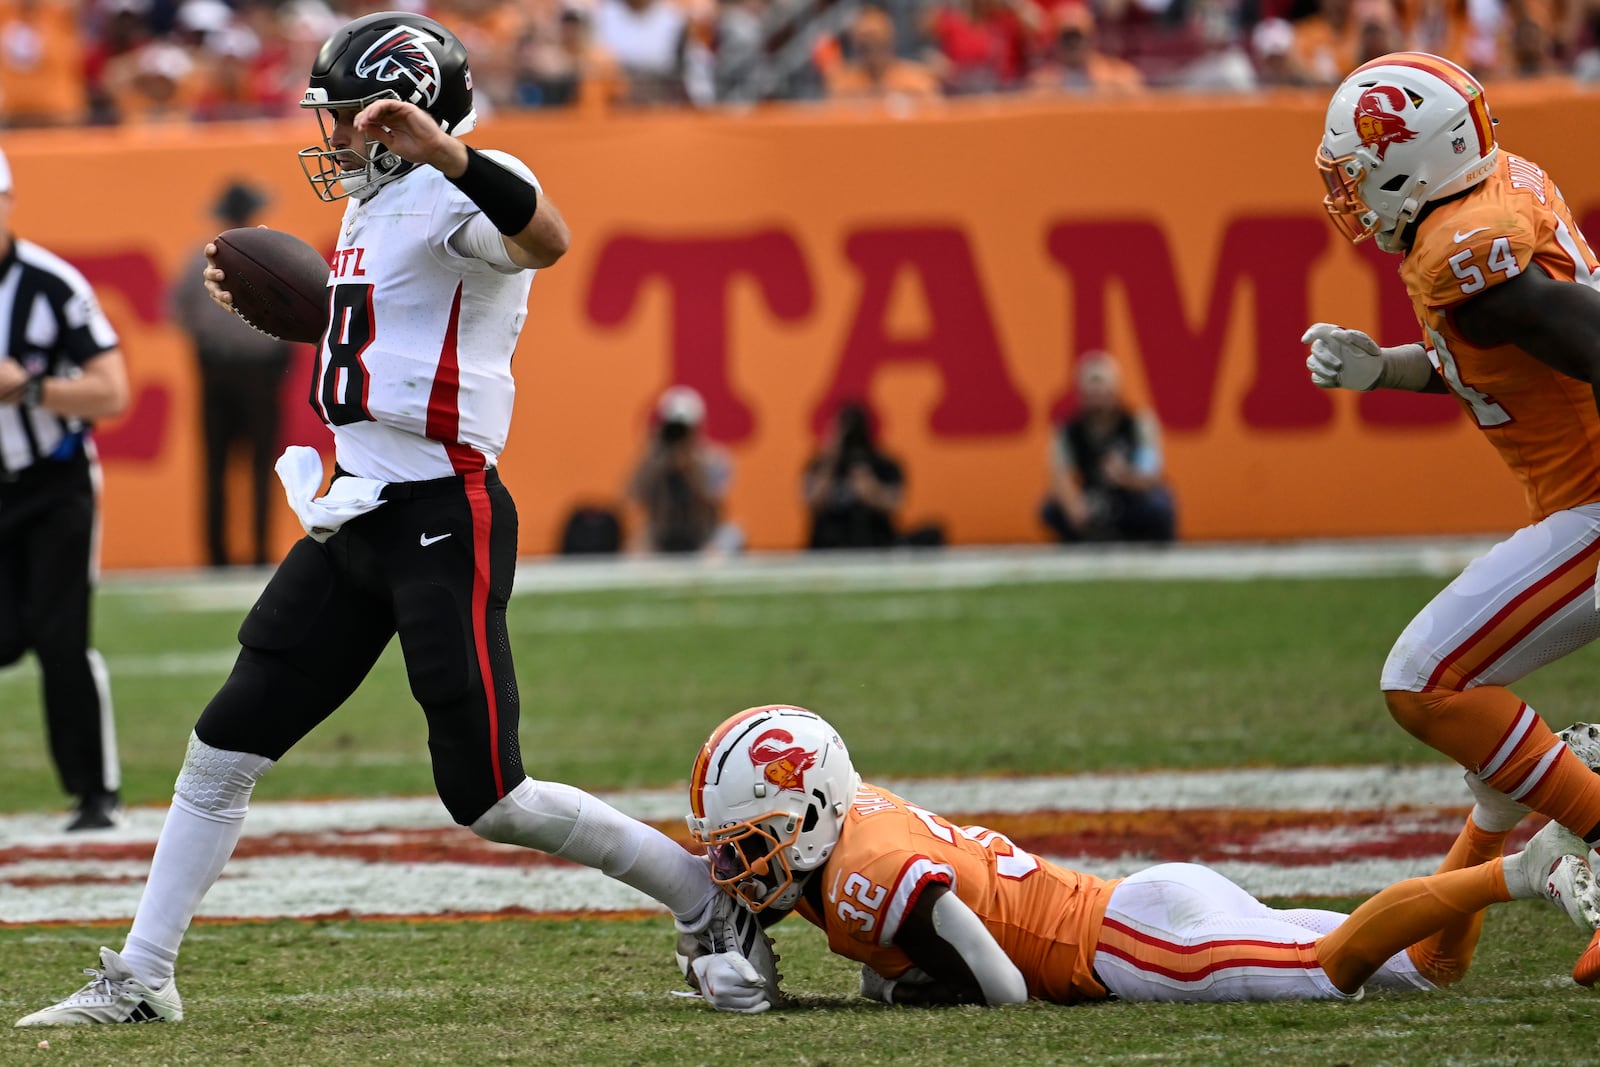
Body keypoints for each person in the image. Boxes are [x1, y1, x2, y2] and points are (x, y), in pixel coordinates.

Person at [14, 10, 773, 1028]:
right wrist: (298, 315)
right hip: (355, 507)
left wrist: (448, 152)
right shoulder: (376, 206)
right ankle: (144, 972)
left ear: (399, 111)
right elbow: (396, 341)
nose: (328, 138)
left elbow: (545, 237)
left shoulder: (460, 184)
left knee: (489, 791)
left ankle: (704, 899)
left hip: (441, 509)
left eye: (342, 116)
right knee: (223, 742)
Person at [682, 704, 1600, 1011]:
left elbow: (1000, 987)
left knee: (1331, 970)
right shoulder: (850, 826)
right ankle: (1490, 815)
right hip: (1140, 904)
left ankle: (1534, 871)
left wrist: (880, 994)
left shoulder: (861, 873)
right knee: (1430, 970)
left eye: (749, 844)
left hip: (1126, 944)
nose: (739, 868)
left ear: (808, 813)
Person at [1303, 51, 1600, 988]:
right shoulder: (1481, 200)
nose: (1347, 192)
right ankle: (1446, 943)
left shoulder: (1462, 249)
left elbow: (1562, 324)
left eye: (1356, 171)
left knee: (1425, 678)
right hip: (1582, 499)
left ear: (1410, 162)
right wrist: (1387, 370)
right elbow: (1496, 350)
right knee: (1483, 727)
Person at [0, 145, 130, 833]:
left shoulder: (51, 284)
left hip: (53, 478)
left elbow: (113, 389)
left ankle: (94, 792)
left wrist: (30, 386)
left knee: (61, 635)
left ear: (7, 203)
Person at [170, 180, 293, 569]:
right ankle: (225, 556)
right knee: (230, 468)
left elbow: (181, 315)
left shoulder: (200, 259)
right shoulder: (271, 259)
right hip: (235, 371)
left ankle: (243, 554)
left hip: (236, 370)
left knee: (240, 468)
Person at [1039, 352, 1176, 544]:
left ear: (1115, 391)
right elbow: (1059, 475)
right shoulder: (1069, 431)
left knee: (1158, 505)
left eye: (1101, 388)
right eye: (1091, 389)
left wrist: (1125, 476)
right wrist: (1074, 505)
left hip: (1131, 499)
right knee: (1050, 510)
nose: (1097, 396)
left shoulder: (1137, 425)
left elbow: (1150, 474)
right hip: (1093, 499)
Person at [625, 384, 740, 555]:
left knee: (732, 536)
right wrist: (656, 456)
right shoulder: (654, 461)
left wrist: (691, 467)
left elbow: (713, 501)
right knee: (635, 548)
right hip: (661, 537)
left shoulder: (714, 459)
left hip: (702, 537)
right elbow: (632, 493)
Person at [802, 400, 904, 549]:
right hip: (828, 545)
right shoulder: (819, 465)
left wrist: (870, 486)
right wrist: (830, 460)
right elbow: (812, 501)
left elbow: (894, 503)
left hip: (873, 543)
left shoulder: (883, 465)